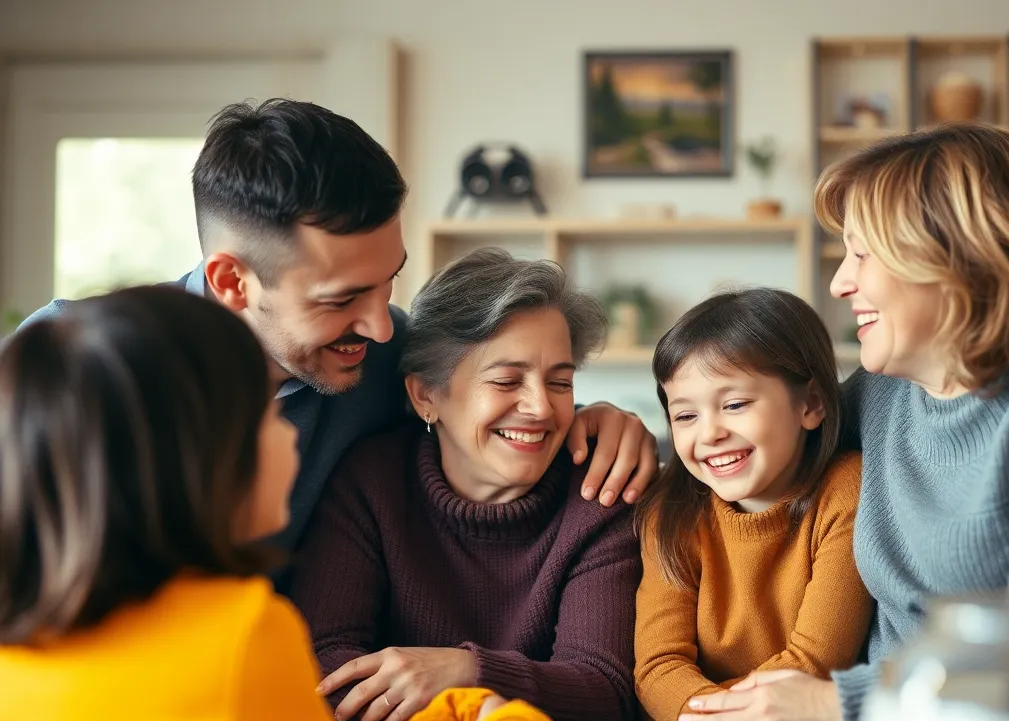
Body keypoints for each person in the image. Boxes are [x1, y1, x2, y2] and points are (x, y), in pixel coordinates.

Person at [675, 122, 1009, 721]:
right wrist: (602, 428)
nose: (841, 284)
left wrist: (842, 708)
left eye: (862, 255)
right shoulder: (885, 395)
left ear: (954, 255)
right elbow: (736, 436)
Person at [19, 99, 657, 583]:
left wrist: (597, 425)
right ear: (232, 280)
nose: (382, 326)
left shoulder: (391, 356)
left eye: (389, 282)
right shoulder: (68, 358)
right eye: (341, 299)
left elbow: (497, 419)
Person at [0, 285, 556, 721]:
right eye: (266, 419)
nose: (293, 438)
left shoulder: (19, 635)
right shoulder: (243, 635)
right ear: (203, 463)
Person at [292, 247, 641, 721]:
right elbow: (324, 678)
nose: (541, 407)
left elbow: (602, 698)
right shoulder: (371, 482)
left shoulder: (599, 495)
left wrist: (464, 670)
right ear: (426, 396)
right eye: (506, 380)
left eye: (560, 382)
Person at [632, 288, 873, 721]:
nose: (710, 433)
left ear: (811, 404)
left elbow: (816, 661)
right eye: (684, 415)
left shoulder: (847, 491)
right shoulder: (671, 514)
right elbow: (658, 666)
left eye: (735, 405)